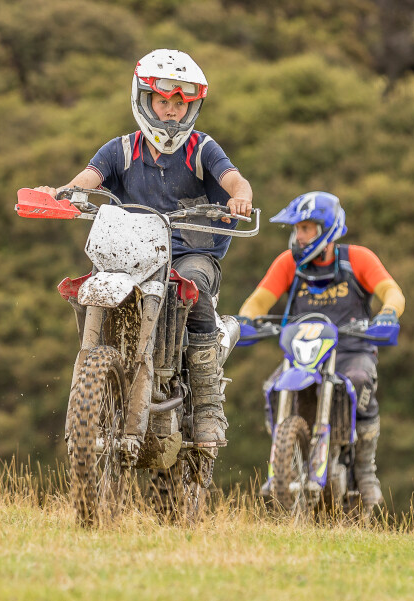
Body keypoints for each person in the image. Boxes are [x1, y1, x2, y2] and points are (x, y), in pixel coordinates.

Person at [35, 49, 254, 450]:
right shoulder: (119, 150)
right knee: (89, 287)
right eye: (163, 100)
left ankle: (208, 405)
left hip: (189, 254)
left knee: (193, 286)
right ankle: (97, 381)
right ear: (143, 99)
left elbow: (235, 180)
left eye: (180, 103)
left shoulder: (203, 148)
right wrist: (61, 193)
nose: (171, 111)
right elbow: (87, 179)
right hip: (130, 255)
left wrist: (240, 198)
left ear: (191, 108)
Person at [237, 191, 404, 513]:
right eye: (297, 228)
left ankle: (365, 470)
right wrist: (246, 319)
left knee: (359, 381)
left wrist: (388, 313)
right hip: (305, 353)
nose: (299, 236)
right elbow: (259, 300)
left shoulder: (357, 258)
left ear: (327, 229)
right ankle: (284, 464)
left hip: (351, 349)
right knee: (273, 387)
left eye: (306, 228)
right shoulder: (289, 262)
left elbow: (391, 291)